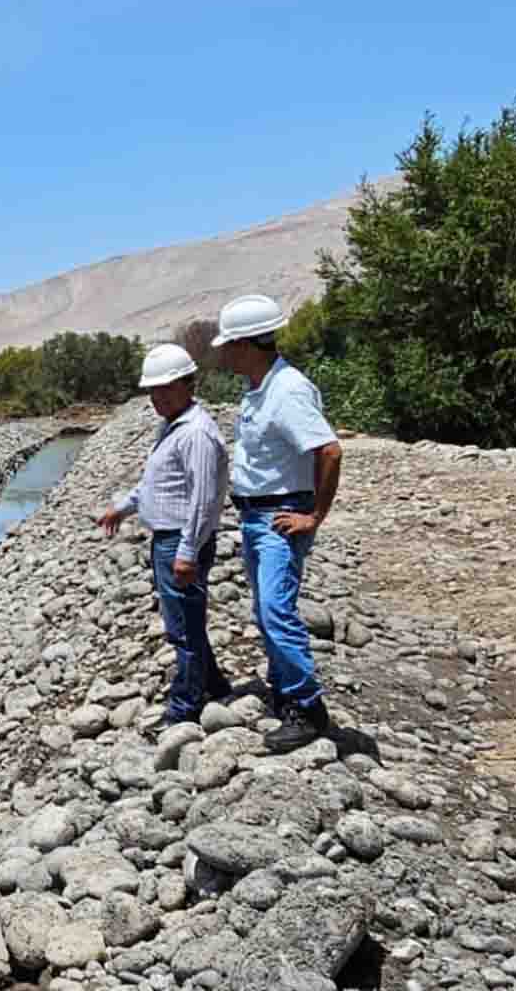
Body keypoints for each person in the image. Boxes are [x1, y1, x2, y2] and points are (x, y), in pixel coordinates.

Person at [211, 293, 344, 754]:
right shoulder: (259, 387)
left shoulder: (287, 391)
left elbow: (328, 450)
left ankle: (307, 709)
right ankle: (287, 691)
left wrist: (314, 516)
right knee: (266, 610)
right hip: (256, 514)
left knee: (275, 609)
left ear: (246, 344)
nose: (222, 353)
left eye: (227, 345)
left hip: (279, 515)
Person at [96, 343, 232, 726]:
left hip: (180, 541)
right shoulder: (172, 426)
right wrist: (122, 508)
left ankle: (185, 705)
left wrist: (187, 551)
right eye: (152, 391)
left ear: (188, 384)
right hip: (168, 539)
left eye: (165, 389)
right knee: (187, 621)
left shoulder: (196, 435)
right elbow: (156, 485)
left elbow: (204, 500)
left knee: (182, 629)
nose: (157, 398)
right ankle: (215, 684)